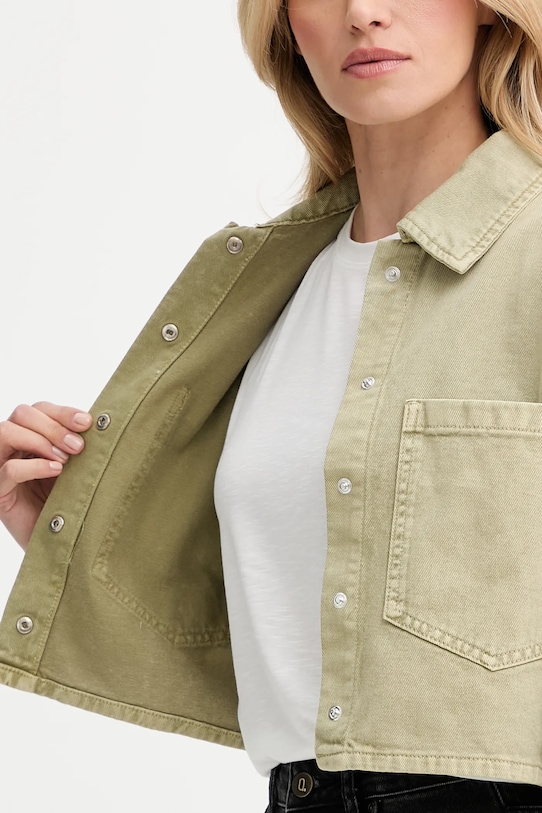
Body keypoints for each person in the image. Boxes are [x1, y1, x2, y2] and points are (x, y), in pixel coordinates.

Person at [1, 0, 542, 810]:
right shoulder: (268, 287)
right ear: (285, 23)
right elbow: (300, 619)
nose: (364, 13)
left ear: (491, 11)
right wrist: (76, 532)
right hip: (302, 788)